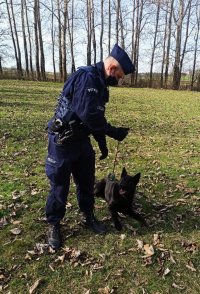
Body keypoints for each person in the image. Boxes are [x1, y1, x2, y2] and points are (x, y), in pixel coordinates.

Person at [45, 44, 135, 249]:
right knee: (60, 186)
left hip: (82, 141)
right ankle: (54, 224)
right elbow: (90, 116)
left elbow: (96, 117)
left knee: (86, 183)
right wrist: (114, 132)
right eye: (120, 75)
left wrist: (102, 144)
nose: (120, 79)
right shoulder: (87, 77)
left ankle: (88, 216)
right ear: (112, 68)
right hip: (63, 142)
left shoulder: (101, 84)